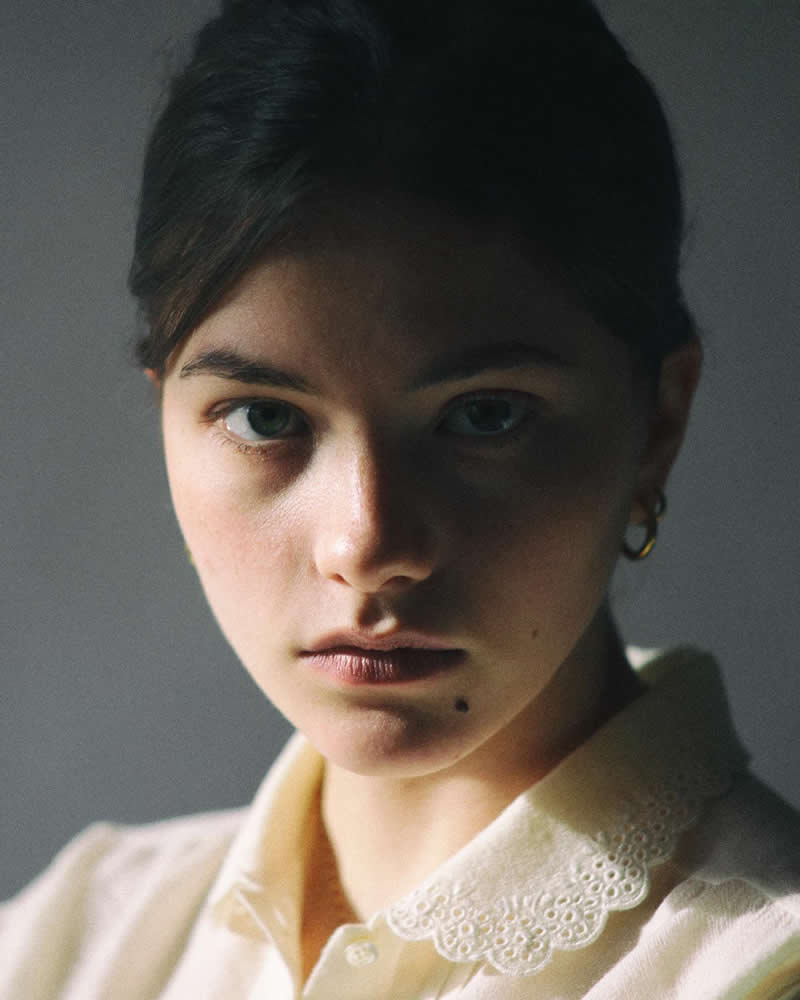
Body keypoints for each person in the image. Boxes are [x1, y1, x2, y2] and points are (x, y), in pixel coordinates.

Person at [1, 0, 798, 996]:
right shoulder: (70, 943)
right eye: (264, 418)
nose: (367, 543)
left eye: (485, 416)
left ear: (657, 419)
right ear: (169, 414)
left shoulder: (755, 966)